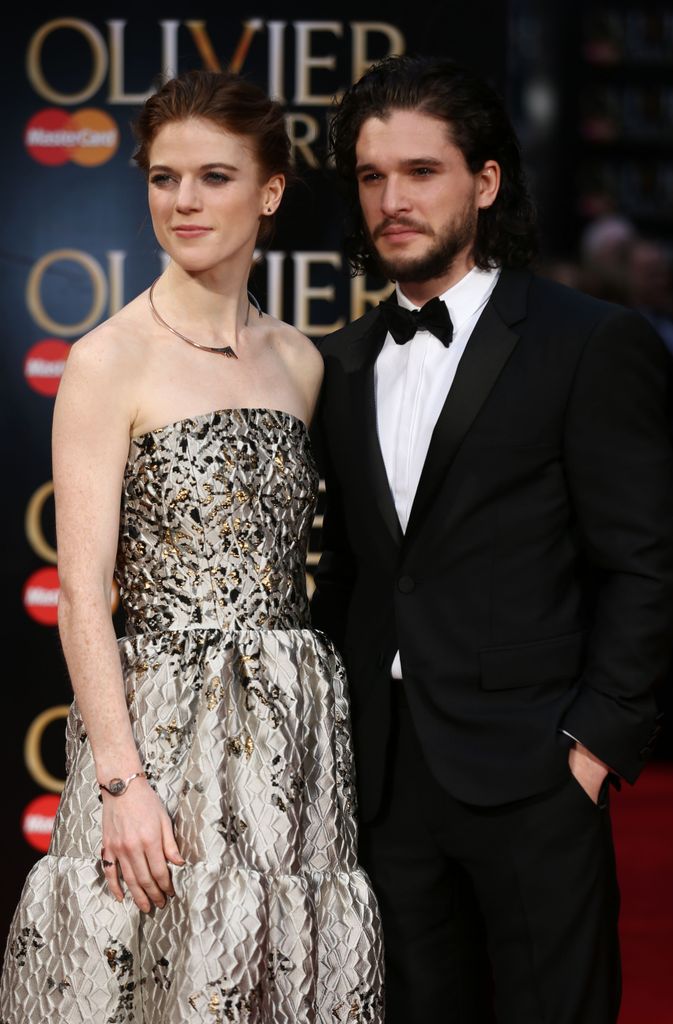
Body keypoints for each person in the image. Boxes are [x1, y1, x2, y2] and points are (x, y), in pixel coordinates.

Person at [0, 69, 383, 1024]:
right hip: (159, 732)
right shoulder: (107, 360)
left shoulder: (301, 359)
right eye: (164, 179)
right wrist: (123, 782)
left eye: (214, 176)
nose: (184, 202)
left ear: (271, 191)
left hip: (290, 734)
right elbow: (83, 593)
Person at [312, 55, 673, 1024]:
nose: (392, 198)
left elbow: (643, 558)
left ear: (484, 182)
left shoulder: (588, 341)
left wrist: (595, 740)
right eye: (370, 175)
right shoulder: (337, 363)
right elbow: (352, 571)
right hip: (385, 785)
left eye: (421, 171)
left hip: (533, 773)